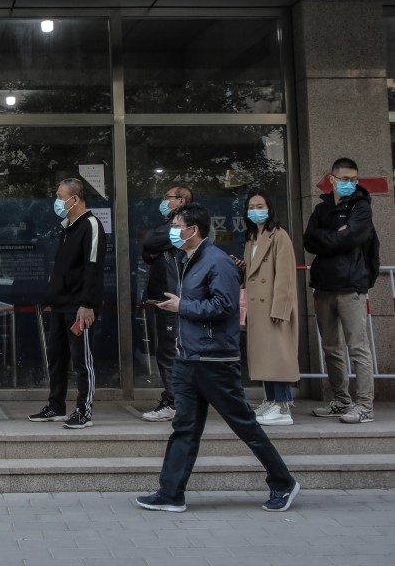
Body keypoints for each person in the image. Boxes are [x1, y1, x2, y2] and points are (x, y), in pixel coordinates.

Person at [136, 204, 299, 513]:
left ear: (193, 230)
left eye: (177, 226)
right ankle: (170, 493)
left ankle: (283, 482)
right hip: (188, 359)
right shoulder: (188, 259)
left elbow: (225, 307)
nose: (173, 231)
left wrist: (181, 307)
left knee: (244, 425)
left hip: (214, 361)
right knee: (184, 428)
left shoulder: (217, 262)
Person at [304, 158, 379, 424]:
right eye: (344, 178)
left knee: (358, 348)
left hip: (351, 286)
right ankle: (341, 399)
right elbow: (309, 240)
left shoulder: (361, 208)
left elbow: (354, 237)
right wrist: (337, 236)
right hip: (324, 286)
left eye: (353, 179)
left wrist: (330, 238)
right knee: (331, 348)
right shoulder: (321, 209)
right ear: (332, 179)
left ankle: (364, 406)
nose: (349, 183)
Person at [29, 178, 106, 430]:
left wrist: (87, 303)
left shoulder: (91, 224)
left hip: (79, 306)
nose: (57, 200)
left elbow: (93, 267)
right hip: (60, 305)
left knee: (82, 359)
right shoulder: (68, 227)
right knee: (56, 357)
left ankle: (84, 410)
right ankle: (56, 406)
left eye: (60, 195)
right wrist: (52, 298)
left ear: (75, 198)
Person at [233, 191, 299, 426]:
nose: (255, 210)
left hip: (273, 306)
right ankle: (271, 400)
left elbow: (285, 276)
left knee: (278, 356)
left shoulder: (279, 236)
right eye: (251, 206)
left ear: (269, 208)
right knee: (265, 357)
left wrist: (280, 309)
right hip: (257, 307)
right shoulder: (253, 236)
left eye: (260, 205)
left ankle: (283, 406)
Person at [139, 185, 192, 422]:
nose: (164, 201)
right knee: (167, 350)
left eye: (167, 198)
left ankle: (174, 402)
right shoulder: (171, 228)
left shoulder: (188, 225)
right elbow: (147, 251)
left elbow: (151, 241)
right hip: (165, 299)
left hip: (176, 299)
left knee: (170, 352)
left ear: (180, 200)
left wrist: (158, 244)